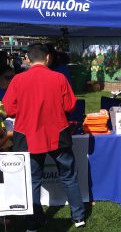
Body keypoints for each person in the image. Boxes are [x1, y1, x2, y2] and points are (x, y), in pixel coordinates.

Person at [2, 43, 85, 231]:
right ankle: (78, 217)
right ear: (47, 58)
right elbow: (70, 106)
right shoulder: (59, 78)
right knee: (69, 177)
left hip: (28, 136)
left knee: (32, 182)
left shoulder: (17, 80)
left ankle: (34, 222)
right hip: (57, 134)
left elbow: (9, 109)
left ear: (28, 59)